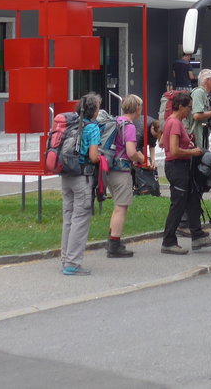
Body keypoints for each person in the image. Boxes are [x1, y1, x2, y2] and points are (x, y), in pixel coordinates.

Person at [159, 90, 211, 255]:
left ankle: (198, 235)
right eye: (189, 107)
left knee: (193, 199)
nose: (190, 111)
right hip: (177, 166)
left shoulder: (170, 121)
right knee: (178, 205)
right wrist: (192, 152)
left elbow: (163, 143)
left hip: (179, 166)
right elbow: (174, 150)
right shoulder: (176, 123)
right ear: (180, 106)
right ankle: (168, 241)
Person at [60, 93, 101, 276]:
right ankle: (73, 263)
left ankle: (65, 258)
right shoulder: (92, 128)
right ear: (95, 110)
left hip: (66, 175)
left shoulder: (71, 124)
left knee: (68, 218)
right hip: (82, 177)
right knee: (80, 220)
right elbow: (93, 156)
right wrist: (101, 157)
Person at [105, 94, 146, 258]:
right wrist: (140, 157)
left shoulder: (116, 122)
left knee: (117, 206)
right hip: (121, 171)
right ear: (137, 109)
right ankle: (114, 245)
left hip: (109, 168)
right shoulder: (129, 126)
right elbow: (130, 152)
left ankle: (111, 239)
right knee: (121, 207)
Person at [191, 68, 211, 151]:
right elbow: (196, 115)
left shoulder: (205, 94)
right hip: (197, 140)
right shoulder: (198, 93)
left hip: (202, 138)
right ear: (207, 80)